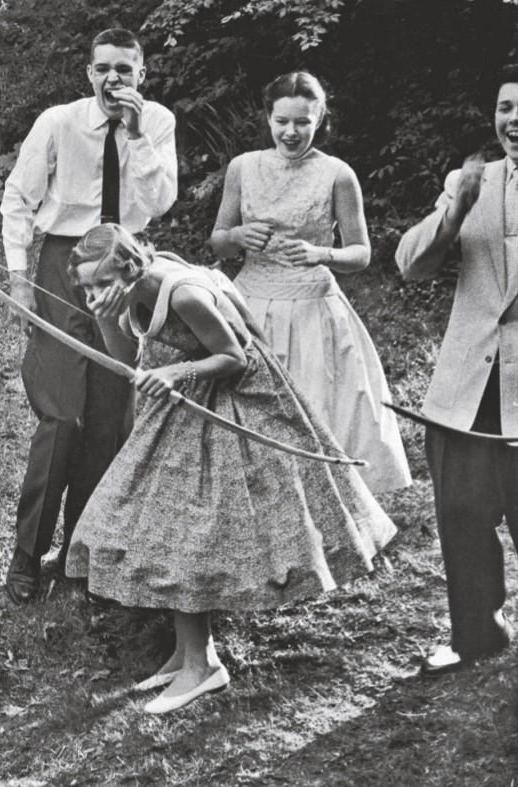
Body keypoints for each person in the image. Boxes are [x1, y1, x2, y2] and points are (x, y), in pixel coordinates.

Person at [64, 224, 396, 714]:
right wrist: (106, 316)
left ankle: (204, 667)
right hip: (197, 397)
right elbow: (125, 359)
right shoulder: (130, 292)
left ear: (132, 269)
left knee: (189, 529)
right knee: (167, 521)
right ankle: (185, 654)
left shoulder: (184, 295)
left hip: (241, 398)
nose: (95, 294)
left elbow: (235, 357)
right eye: (87, 288)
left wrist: (177, 371)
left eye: (102, 284)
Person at [0, 28, 177, 604]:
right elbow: (18, 199)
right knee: (62, 414)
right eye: (103, 68)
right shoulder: (58, 122)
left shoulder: (157, 123)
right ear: (89, 72)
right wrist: (19, 279)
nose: (113, 80)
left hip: (125, 263)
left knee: (111, 412)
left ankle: (82, 548)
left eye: (125, 69)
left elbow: (160, 205)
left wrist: (137, 134)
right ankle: (27, 554)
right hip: (62, 262)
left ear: (141, 74)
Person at [211, 72, 410, 494]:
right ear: (268, 118)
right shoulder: (242, 167)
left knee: (318, 408)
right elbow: (219, 241)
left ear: (320, 119)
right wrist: (235, 237)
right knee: (249, 412)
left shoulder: (337, 174)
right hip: (250, 303)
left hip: (313, 309)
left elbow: (361, 253)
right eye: (282, 120)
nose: (291, 131)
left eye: (303, 121)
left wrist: (324, 254)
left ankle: (331, 507)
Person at [395, 67, 518, 677]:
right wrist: (454, 211)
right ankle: (476, 633)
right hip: (469, 379)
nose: (513, 119)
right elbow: (410, 265)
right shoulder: (471, 179)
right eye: (504, 107)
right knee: (463, 514)